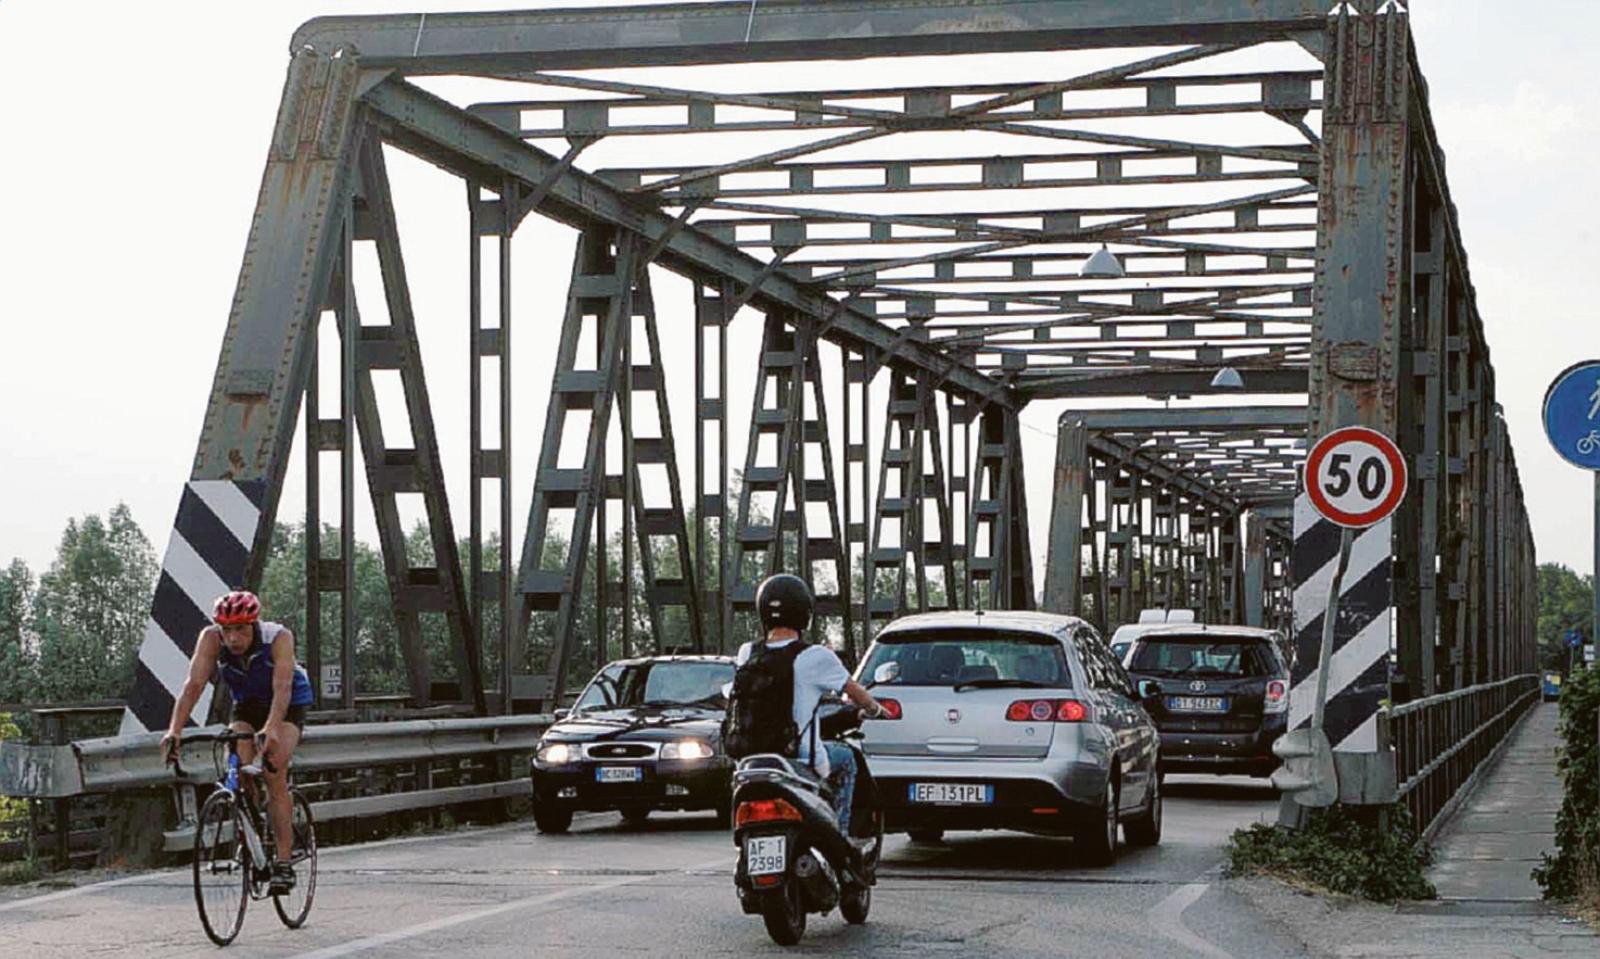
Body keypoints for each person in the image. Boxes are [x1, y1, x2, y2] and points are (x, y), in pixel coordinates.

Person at [159, 590, 315, 894]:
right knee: (240, 768)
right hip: (247, 705)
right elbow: (194, 685)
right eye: (227, 630)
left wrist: (271, 728)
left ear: (254, 624)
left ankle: (283, 862)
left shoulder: (278, 638)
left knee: (273, 771)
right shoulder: (211, 638)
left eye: (240, 629)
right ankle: (254, 830)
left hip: (288, 703)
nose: (233, 638)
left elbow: (282, 689)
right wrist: (174, 729)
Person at [733, 573, 889, 835]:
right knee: (847, 759)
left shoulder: (747, 652)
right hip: (800, 758)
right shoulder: (814, 656)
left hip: (751, 760)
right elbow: (855, 692)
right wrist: (875, 709)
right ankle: (839, 835)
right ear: (804, 613)